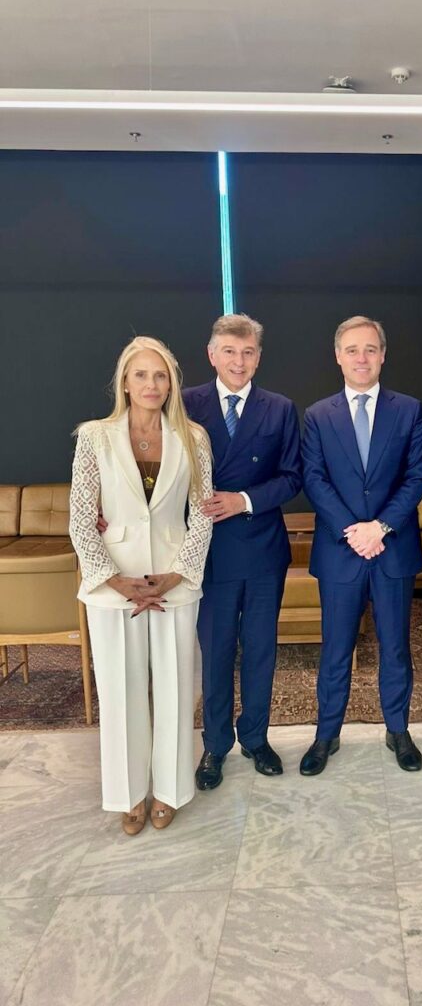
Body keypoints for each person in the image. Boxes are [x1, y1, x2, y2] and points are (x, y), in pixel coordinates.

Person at [69, 336, 212, 835]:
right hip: (114, 587)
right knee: (120, 692)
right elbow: (80, 517)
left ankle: (170, 791)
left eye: (160, 375)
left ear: (171, 383)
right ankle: (127, 794)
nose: (151, 384)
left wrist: (177, 574)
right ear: (125, 383)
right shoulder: (95, 437)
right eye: (141, 375)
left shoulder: (193, 437)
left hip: (174, 582)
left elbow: (203, 514)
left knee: (175, 688)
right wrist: (116, 580)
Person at [299, 315, 422, 775]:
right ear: (338, 356)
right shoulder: (317, 415)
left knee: (395, 648)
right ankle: (326, 735)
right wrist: (354, 531)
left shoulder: (409, 410)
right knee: (335, 650)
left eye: (370, 349)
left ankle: (399, 730)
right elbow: (314, 479)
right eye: (352, 349)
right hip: (341, 552)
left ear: (383, 355)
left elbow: (417, 476)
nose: (361, 357)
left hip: (392, 550)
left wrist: (381, 527)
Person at [183, 314, 301, 791]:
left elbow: (292, 477)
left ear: (258, 357)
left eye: (248, 352)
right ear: (212, 354)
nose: (239, 361)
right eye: (229, 351)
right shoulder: (184, 404)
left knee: (260, 650)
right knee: (215, 653)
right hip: (208, 551)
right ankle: (215, 745)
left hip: (262, 550)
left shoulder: (280, 408)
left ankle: (255, 737)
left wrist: (244, 500)